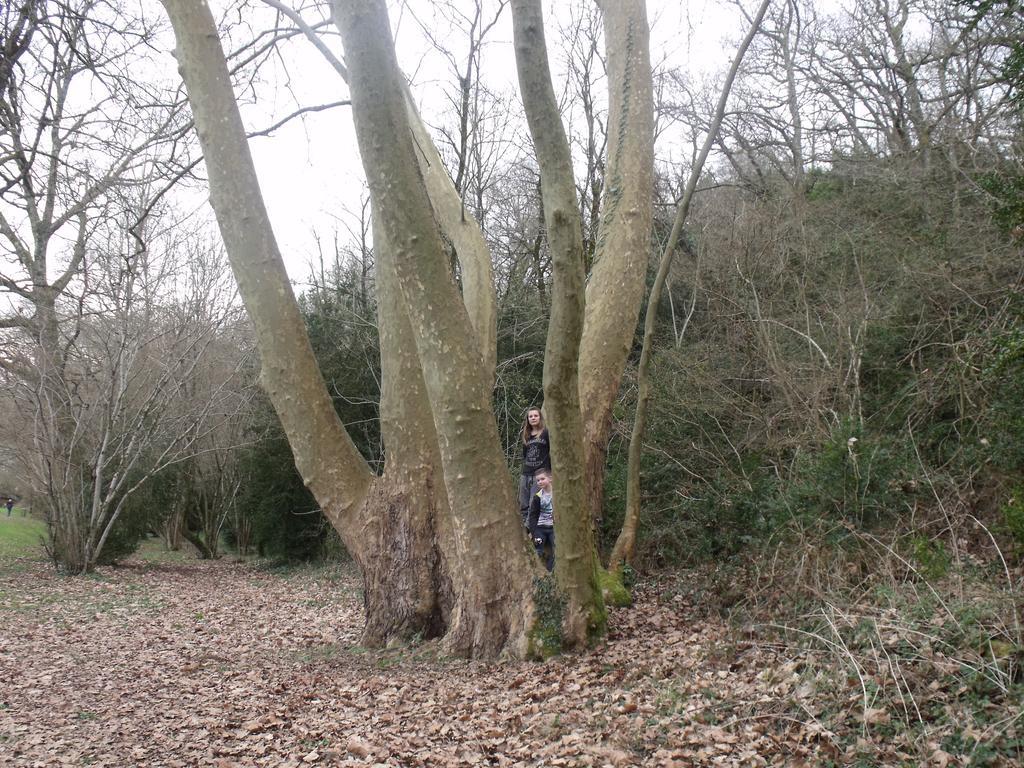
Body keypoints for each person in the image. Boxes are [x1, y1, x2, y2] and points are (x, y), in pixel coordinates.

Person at [518, 407, 550, 526]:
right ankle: (523, 525)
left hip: (540, 474)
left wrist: (549, 473)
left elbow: (552, 452)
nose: (533, 418)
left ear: (540, 417)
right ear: (528, 419)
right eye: (530, 416)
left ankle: (529, 527)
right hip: (526, 473)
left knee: (533, 502)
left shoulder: (546, 433)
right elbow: (525, 455)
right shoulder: (526, 434)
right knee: (523, 502)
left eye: (535, 416)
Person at [528, 468, 555, 571]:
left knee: (557, 550)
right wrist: (533, 532)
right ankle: (537, 572)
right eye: (538, 480)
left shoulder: (557, 494)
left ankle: (550, 571)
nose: (540, 482)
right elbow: (533, 515)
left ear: (550, 479)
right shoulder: (537, 497)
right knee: (538, 550)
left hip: (553, 528)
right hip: (540, 528)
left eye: (542, 479)